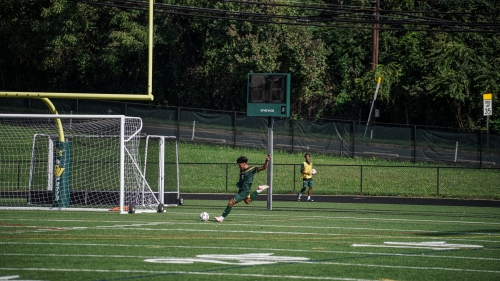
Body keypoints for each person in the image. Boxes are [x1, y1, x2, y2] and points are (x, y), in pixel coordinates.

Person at [214, 154, 271, 222]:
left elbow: (264, 167)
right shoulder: (242, 170)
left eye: (240, 165)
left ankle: (221, 218)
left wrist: (267, 160)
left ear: (244, 163)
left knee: (231, 202)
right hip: (241, 190)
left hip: (245, 191)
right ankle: (259, 190)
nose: (239, 167)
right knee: (248, 201)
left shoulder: (252, 169)